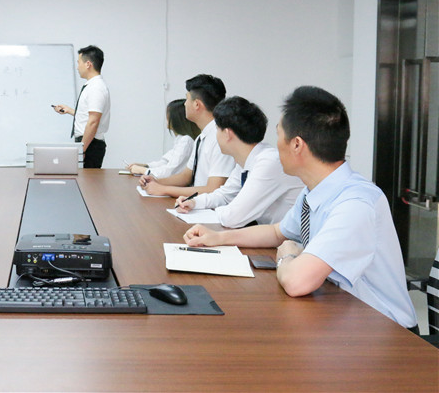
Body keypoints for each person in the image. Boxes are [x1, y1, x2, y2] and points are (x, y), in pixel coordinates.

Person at [183, 86, 418, 330]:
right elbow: (277, 232)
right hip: (342, 315)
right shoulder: (314, 191)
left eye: (278, 134)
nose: (275, 145)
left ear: (296, 145)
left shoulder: (355, 204)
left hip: (387, 332)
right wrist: (218, 238)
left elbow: (296, 281)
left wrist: (287, 255)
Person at [175, 96, 303, 227]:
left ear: (227, 133)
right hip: (268, 236)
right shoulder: (245, 161)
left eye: (217, 130)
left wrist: (216, 210)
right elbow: (224, 195)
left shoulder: (269, 162)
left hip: (289, 243)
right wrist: (194, 202)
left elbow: (232, 217)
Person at [139, 74, 234, 197]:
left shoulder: (220, 137)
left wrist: (163, 189)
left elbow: (213, 189)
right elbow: (185, 177)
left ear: (197, 104)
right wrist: (155, 181)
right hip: (196, 204)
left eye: (187, 99)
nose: (184, 104)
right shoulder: (202, 137)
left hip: (210, 210)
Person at [52, 45, 111, 168]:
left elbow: (93, 122)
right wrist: (69, 110)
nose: (77, 67)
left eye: (79, 63)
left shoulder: (96, 88)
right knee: (83, 184)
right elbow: (89, 115)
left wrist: (82, 149)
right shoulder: (92, 86)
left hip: (90, 145)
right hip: (88, 143)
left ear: (88, 64)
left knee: (87, 185)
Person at [126, 99, 199, 178]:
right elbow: (165, 162)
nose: (166, 119)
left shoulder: (186, 141)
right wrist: (145, 166)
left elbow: (169, 172)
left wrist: (142, 170)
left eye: (168, 116)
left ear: (176, 119)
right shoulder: (181, 139)